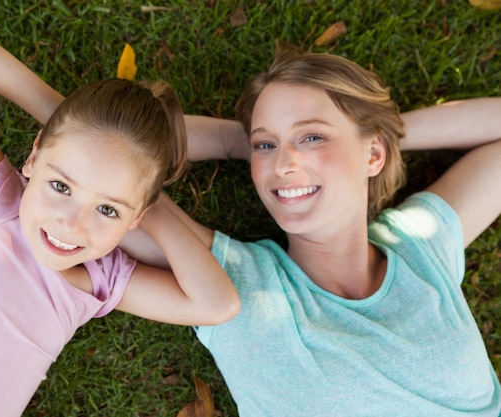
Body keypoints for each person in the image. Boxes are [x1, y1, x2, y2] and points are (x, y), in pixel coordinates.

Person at [0, 8, 240, 417]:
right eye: (61, 185)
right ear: (33, 158)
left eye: (106, 209)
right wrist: (60, 119)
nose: (72, 223)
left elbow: (217, 304)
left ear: (136, 218)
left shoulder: (101, 280)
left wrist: (146, 207)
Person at [122, 47, 501, 415]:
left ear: (374, 155)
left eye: (313, 137)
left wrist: (376, 134)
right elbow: (105, 154)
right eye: (265, 144)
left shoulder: (419, 245)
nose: (284, 163)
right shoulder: (232, 284)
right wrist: (239, 144)